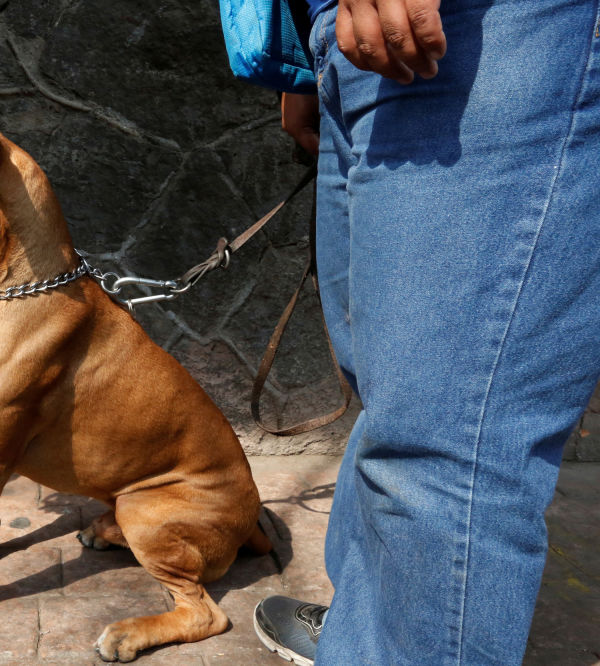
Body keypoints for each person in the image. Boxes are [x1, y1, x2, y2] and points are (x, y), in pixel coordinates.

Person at [249, 0, 600, 663]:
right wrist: (306, 61)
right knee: (392, 400)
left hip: (492, 30)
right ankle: (368, 631)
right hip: (351, 46)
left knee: (446, 444)